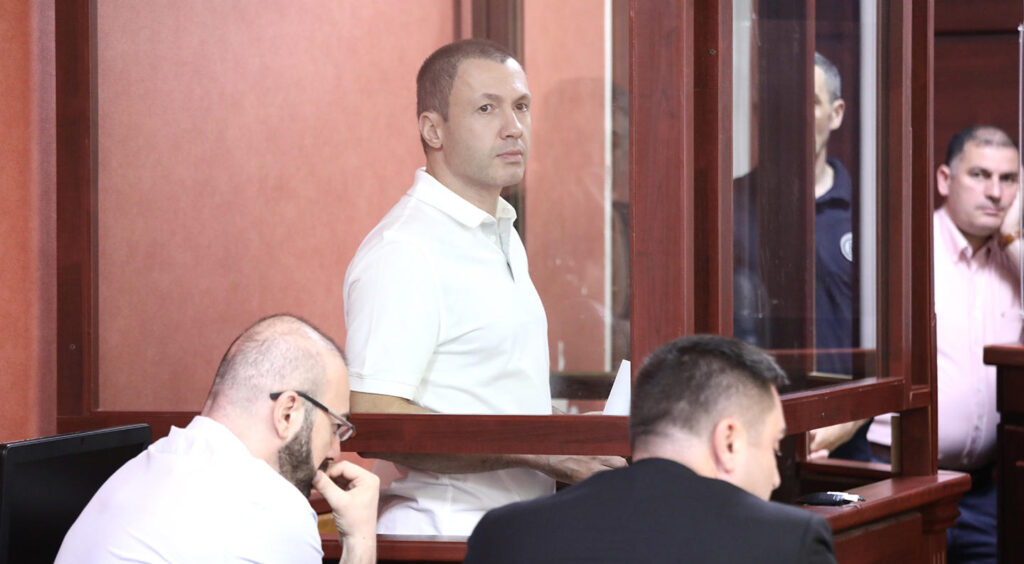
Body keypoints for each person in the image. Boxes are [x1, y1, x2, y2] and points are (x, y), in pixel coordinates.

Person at [343, 38, 625, 536]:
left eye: (521, 106)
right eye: (486, 108)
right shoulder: (404, 249)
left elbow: (491, 392)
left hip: (513, 529)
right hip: (443, 534)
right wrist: (543, 452)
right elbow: (375, 422)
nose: (513, 127)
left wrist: (577, 434)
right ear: (433, 129)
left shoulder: (501, 230)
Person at [463, 335, 837, 563]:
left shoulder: (505, 532)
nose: (775, 477)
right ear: (728, 441)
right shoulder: (789, 542)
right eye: (773, 447)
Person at [55, 315, 379, 564]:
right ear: (287, 413)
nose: (335, 451)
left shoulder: (135, 473)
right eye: (335, 427)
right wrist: (361, 539)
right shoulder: (273, 510)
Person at [869, 125, 1021, 564]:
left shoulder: (1013, 261)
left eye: (1008, 179)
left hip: (981, 490)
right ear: (944, 179)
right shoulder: (908, 249)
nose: (995, 193)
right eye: (979, 174)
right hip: (898, 479)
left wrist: (1014, 239)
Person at [803, 52, 871, 461]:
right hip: (744, 439)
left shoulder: (868, 213)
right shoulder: (733, 206)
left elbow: (894, 340)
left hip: (848, 438)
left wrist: (851, 416)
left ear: (836, 113)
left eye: (809, 102)